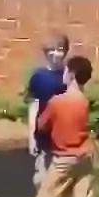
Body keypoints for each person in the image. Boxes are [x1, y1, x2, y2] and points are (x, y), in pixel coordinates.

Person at [34, 52, 97, 197]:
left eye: (66, 70)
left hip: (64, 157)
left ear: (70, 74)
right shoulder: (84, 101)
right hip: (84, 157)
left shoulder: (57, 102)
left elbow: (42, 125)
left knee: (46, 196)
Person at [23, 33, 71, 164]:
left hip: (66, 137)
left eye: (60, 50)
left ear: (66, 52)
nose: (55, 54)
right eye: (52, 50)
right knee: (43, 176)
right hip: (44, 135)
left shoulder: (70, 76)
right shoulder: (38, 77)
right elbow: (34, 107)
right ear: (46, 52)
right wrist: (32, 136)